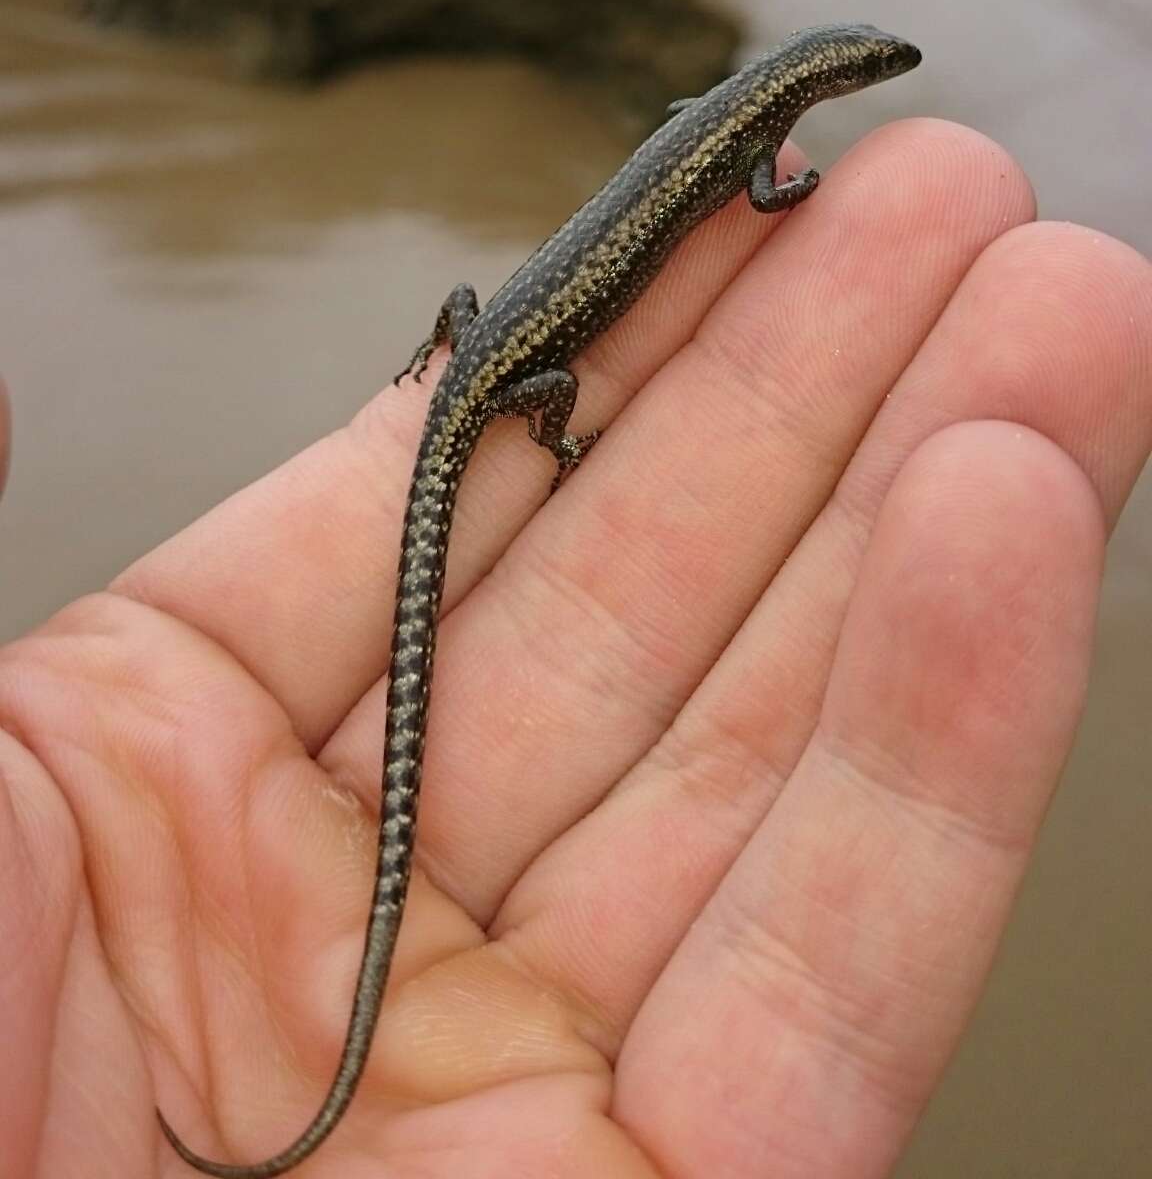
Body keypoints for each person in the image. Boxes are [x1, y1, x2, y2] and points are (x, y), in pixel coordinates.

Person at [1, 117, 1149, 1179]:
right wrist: (563, 434)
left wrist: (467, 361)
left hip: (482, 350)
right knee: (505, 496)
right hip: (513, 380)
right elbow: (762, 197)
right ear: (823, 81)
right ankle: (551, 437)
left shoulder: (714, 117)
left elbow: (477, 294)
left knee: (414, 690)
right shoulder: (741, 151)